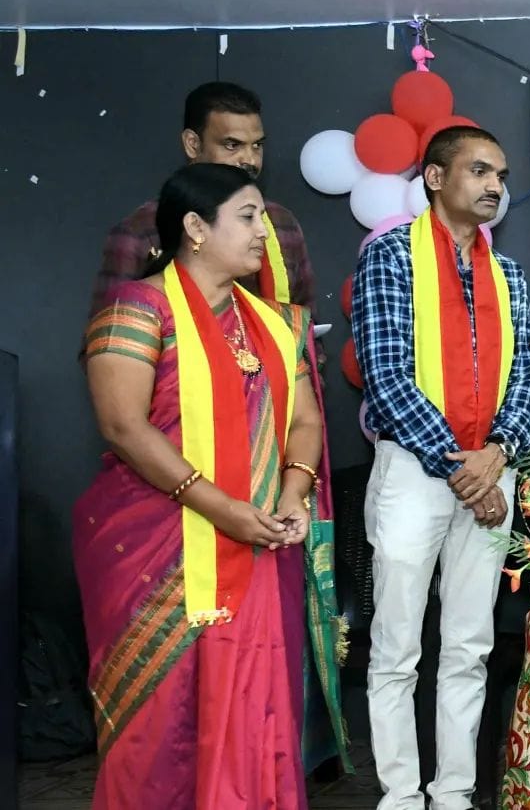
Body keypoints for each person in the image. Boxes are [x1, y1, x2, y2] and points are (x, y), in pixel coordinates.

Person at [75, 162, 343, 807]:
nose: (263, 233)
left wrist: (291, 494)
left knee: (255, 712)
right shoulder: (138, 308)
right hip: (155, 548)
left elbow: (306, 420)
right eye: (248, 218)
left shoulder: (275, 322)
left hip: (258, 540)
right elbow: (123, 425)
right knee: (159, 723)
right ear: (195, 227)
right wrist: (222, 509)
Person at [352, 125, 530, 810]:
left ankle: (454, 793)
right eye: (479, 171)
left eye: (501, 175)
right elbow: (386, 375)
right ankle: (401, 796)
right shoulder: (390, 256)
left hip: (493, 467)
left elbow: (524, 379)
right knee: (396, 647)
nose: (495, 186)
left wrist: (497, 455)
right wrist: (463, 471)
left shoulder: (508, 272)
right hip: (414, 471)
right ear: (435, 177)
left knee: (470, 644)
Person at [92, 82, 314, 314]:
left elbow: (305, 326)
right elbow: (109, 329)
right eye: (232, 145)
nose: (250, 160)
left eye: (257, 145)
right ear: (193, 144)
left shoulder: (280, 223)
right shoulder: (141, 232)